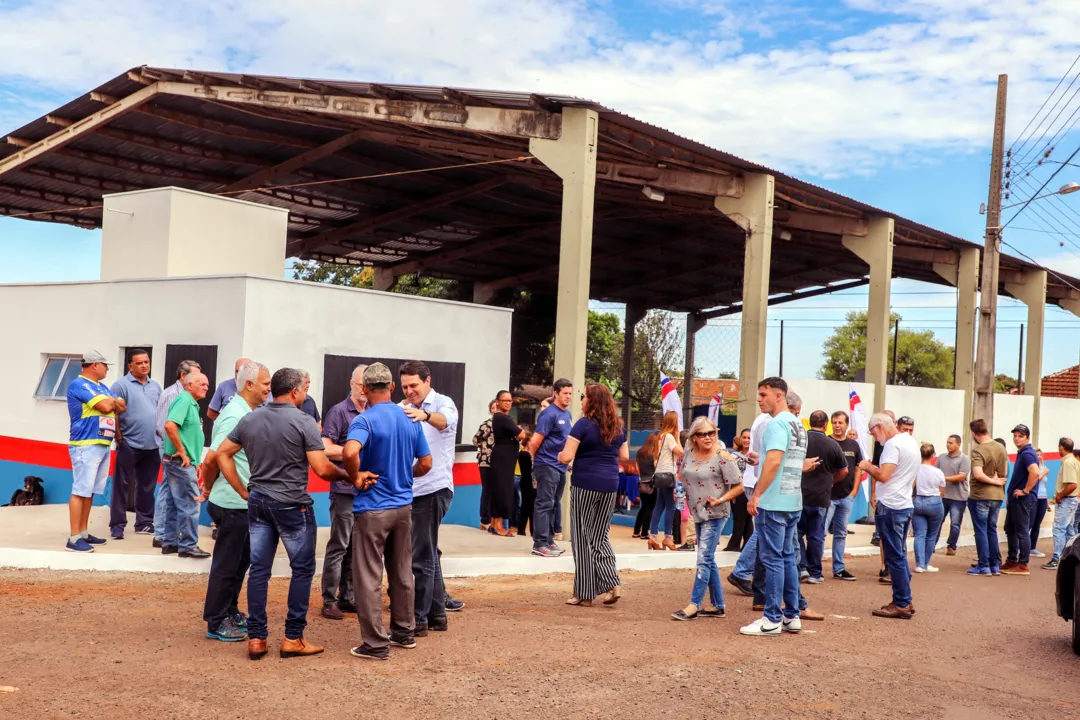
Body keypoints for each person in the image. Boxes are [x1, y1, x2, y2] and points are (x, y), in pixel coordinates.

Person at [216, 367, 347, 661]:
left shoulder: (250, 418)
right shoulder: (303, 421)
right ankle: (292, 638)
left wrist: (241, 490)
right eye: (306, 388)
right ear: (295, 391)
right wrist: (352, 475)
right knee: (301, 569)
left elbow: (222, 453)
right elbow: (323, 469)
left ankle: (257, 639)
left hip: (258, 501)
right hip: (291, 505)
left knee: (259, 570)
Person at [343, 363, 433, 661]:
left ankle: (375, 643)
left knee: (368, 576)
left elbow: (349, 452)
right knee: (402, 570)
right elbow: (427, 463)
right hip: (403, 507)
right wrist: (405, 476)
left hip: (372, 508)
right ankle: (404, 632)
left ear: (365, 389)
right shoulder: (409, 418)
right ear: (393, 387)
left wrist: (356, 477)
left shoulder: (364, 420)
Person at [198, 361, 270, 642]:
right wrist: (218, 488)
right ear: (249, 384)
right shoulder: (233, 415)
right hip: (231, 504)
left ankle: (230, 611)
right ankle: (216, 621)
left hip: (242, 504)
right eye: (265, 383)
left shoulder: (247, 412)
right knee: (227, 565)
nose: (269, 388)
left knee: (240, 564)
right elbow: (212, 458)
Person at [740, 378, 806, 637]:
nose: (759, 399)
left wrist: (756, 495)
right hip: (792, 501)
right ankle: (792, 615)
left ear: (779, 395)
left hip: (774, 502)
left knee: (772, 559)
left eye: (764, 394)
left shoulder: (776, 424)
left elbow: (775, 462)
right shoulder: (796, 424)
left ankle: (771, 619)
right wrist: (762, 457)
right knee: (788, 558)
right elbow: (779, 459)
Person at [399, 360, 459, 637]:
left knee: (421, 556)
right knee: (428, 552)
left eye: (414, 385)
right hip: (410, 490)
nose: (410, 391)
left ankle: (418, 620)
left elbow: (445, 422)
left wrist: (423, 415)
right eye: (405, 386)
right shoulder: (401, 409)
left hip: (433, 489)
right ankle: (437, 616)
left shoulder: (443, 403)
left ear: (427, 381)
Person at [557, 383, 628, 607]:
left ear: (591, 400)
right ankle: (612, 582)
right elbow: (624, 456)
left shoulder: (582, 425)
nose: (581, 400)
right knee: (599, 536)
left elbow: (567, 457)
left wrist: (560, 456)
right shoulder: (617, 425)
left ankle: (585, 593)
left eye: (583, 396)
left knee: (581, 538)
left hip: (585, 484)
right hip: (609, 485)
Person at [671, 416, 742, 620]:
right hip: (697, 511)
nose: (708, 437)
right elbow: (683, 475)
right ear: (694, 437)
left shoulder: (723, 457)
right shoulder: (689, 454)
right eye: (703, 434)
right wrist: (680, 490)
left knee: (703, 558)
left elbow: (738, 486)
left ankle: (694, 605)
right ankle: (718, 605)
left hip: (716, 513)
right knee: (708, 558)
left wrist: (720, 500)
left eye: (711, 432)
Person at [318, 364, 367, 620]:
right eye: (360, 384)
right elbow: (325, 448)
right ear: (351, 383)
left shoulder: (372, 411)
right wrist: (355, 451)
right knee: (339, 544)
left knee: (356, 547)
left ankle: (348, 597)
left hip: (366, 491)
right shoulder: (338, 411)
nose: (363, 389)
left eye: (366, 385)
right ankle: (329, 600)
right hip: (345, 489)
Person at [859, 412, 919, 619]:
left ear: (880, 427)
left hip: (891, 506)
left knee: (894, 556)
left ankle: (901, 602)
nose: (874, 437)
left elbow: (883, 475)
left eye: (873, 432)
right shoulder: (910, 442)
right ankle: (905, 598)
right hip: (903, 503)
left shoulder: (892, 445)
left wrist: (868, 467)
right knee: (898, 554)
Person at [65, 350, 125, 553]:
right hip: (85, 443)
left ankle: (83, 532)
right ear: (94, 365)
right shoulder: (79, 384)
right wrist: (111, 403)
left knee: (90, 491)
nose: (107, 369)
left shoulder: (102, 386)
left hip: (102, 442)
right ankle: (73, 538)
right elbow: (106, 405)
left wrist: (112, 404)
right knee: (80, 490)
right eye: (105, 365)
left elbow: (121, 405)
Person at [109, 348, 162, 539]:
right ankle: (117, 525)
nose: (144, 366)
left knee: (147, 486)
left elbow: (160, 412)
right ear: (130, 365)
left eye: (146, 362)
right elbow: (113, 413)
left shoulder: (155, 386)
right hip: (128, 443)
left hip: (153, 445)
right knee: (121, 486)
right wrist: (119, 437)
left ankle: (144, 523)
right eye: (139, 363)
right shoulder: (121, 385)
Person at [162, 371, 211, 559]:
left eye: (207, 384)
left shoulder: (191, 403)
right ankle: (188, 545)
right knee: (190, 503)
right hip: (179, 462)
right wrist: (183, 452)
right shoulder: (184, 401)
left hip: (181, 462)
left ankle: (171, 542)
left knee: (175, 504)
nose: (206, 387)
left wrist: (195, 459)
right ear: (189, 385)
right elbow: (169, 425)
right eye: (202, 384)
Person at [154, 360, 200, 549]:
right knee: (173, 493)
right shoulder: (175, 395)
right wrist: (180, 451)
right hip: (174, 453)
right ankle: (161, 533)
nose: (203, 385)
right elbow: (164, 426)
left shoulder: (187, 397)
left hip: (178, 453)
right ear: (184, 377)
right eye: (197, 378)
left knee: (173, 496)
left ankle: (168, 539)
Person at [798, 410, 848, 584]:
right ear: (826, 425)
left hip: (799, 496)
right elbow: (844, 470)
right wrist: (832, 481)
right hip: (821, 498)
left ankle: (802, 567)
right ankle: (815, 573)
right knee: (816, 537)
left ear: (809, 422)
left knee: (796, 534)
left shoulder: (800, 441)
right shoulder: (832, 444)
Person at [727, 410, 772, 596]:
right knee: (764, 528)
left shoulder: (764, 420)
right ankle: (743, 571)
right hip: (760, 482)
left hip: (757, 482)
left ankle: (754, 574)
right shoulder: (769, 421)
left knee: (764, 530)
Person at [528, 379, 573, 557]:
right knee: (544, 504)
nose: (568, 397)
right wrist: (536, 462)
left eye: (570, 393)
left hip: (560, 466)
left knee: (554, 504)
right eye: (565, 393)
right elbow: (534, 442)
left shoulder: (567, 414)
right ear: (556, 393)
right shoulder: (549, 414)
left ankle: (548, 540)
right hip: (546, 465)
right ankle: (539, 543)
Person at [967, 418, 1008, 576]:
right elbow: (1003, 472)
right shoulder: (1000, 447)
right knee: (992, 530)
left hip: (981, 495)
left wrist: (992, 480)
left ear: (975, 433)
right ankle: (995, 565)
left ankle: (983, 565)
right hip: (997, 495)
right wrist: (997, 481)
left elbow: (978, 474)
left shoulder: (978, 449)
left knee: (981, 531)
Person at [826, 410, 862, 581]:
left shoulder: (853, 445)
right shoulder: (827, 442)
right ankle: (813, 569)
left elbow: (858, 468)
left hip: (846, 497)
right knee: (820, 533)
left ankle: (839, 568)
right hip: (827, 497)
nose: (837, 425)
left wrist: (854, 491)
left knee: (841, 533)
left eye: (840, 422)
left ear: (847, 425)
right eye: (834, 422)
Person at [1002, 424, 1040, 576]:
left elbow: (1035, 472)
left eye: (1020, 436)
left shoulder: (1027, 454)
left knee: (1022, 531)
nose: (1016, 438)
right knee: (1010, 528)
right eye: (1015, 435)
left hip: (1023, 500)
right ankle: (1012, 559)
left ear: (1027, 438)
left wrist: (1026, 490)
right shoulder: (1022, 453)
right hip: (1015, 499)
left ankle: (1023, 564)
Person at [489, 390, 525, 537]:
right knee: (502, 490)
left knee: (499, 489)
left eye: (510, 401)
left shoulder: (502, 418)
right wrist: (520, 432)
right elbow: (521, 434)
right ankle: (498, 526)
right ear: (497, 401)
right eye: (505, 400)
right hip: (503, 458)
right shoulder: (502, 418)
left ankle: (494, 524)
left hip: (504, 457)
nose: (508, 403)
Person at [648, 411, 684, 551]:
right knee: (671, 506)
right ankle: (668, 537)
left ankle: (653, 536)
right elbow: (680, 452)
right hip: (669, 475)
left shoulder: (659, 437)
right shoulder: (669, 437)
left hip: (660, 475)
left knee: (659, 506)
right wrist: (678, 438)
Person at [1043, 437, 1080, 570]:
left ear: (1061, 447)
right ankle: (1072, 557)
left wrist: (1060, 495)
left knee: (1059, 529)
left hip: (1067, 500)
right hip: (1072, 500)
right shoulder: (1074, 461)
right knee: (1069, 530)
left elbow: (1072, 485)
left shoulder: (1069, 462)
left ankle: (1057, 559)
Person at [912, 443, 945, 573]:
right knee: (931, 535)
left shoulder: (915, 469)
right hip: (934, 501)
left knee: (919, 535)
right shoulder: (938, 472)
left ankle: (919, 564)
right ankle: (926, 563)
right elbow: (942, 491)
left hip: (918, 500)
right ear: (933, 455)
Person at [938, 434, 970, 557]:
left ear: (958, 444)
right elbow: (935, 473)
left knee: (955, 523)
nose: (948, 445)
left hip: (958, 497)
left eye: (951, 443)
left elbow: (962, 476)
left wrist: (943, 479)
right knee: (938, 521)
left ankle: (951, 546)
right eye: (947, 442)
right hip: (943, 496)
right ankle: (932, 544)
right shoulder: (941, 458)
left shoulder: (964, 459)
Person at [723, 428, 754, 552]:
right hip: (737, 489)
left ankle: (736, 544)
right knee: (741, 518)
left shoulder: (755, 455)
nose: (746, 440)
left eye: (749, 438)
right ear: (740, 439)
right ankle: (744, 546)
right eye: (744, 437)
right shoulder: (734, 455)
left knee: (744, 518)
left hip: (750, 489)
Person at [473, 400, 497, 530]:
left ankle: (494, 519)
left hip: (499, 462)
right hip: (485, 461)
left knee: (495, 491)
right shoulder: (486, 425)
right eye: (493, 408)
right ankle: (485, 519)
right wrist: (485, 448)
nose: (495, 409)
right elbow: (475, 440)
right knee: (487, 490)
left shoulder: (504, 423)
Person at [633, 433, 659, 539]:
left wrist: (641, 477)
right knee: (650, 508)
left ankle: (636, 531)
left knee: (643, 507)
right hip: (652, 484)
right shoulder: (653, 455)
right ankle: (644, 533)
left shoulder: (639, 453)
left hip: (642, 483)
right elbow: (656, 468)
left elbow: (637, 467)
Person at [1028, 449, 1051, 559]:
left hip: (1043, 498)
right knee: (1030, 522)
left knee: (1037, 523)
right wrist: (1044, 473)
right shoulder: (1033, 468)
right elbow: (1036, 479)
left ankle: (1032, 547)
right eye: (1037, 455)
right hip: (1034, 497)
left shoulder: (1043, 466)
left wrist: (1047, 502)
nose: (1039, 457)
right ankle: (1020, 546)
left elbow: (1044, 485)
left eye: (1040, 454)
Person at [517, 433, 535, 537]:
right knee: (529, 506)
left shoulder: (527, 453)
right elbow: (529, 468)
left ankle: (523, 529)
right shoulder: (525, 454)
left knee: (528, 506)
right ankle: (525, 529)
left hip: (529, 481)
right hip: (528, 481)